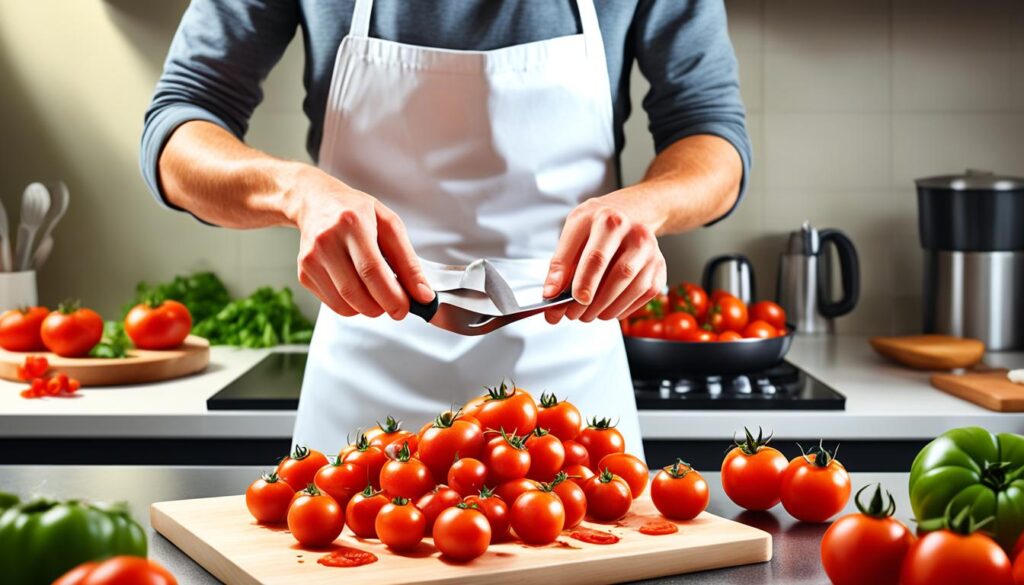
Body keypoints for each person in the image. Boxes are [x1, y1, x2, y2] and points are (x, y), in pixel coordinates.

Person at [141, 0, 750, 454]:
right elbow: (178, 131)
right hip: (363, 393)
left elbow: (712, 135)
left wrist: (648, 206)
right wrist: (296, 192)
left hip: (569, 400)